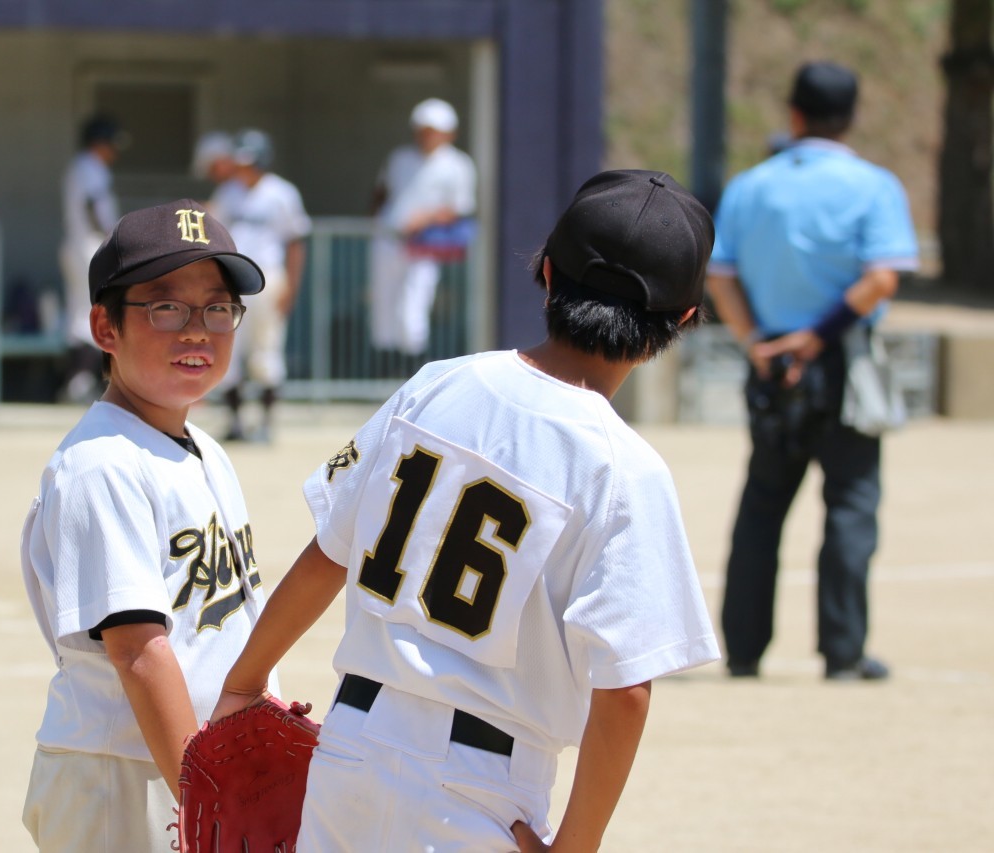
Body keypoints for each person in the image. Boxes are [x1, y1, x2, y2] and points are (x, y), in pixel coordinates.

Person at [211, 170, 722, 852]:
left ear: (547, 272)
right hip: (481, 788)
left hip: (350, 750)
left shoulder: (437, 383)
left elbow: (329, 552)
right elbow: (625, 689)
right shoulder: (625, 468)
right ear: (683, 319)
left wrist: (243, 685)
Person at [20, 199, 280, 851]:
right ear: (104, 327)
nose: (198, 331)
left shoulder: (204, 448)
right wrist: (207, 802)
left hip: (186, 762)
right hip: (125, 774)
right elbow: (138, 650)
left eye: (217, 308)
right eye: (166, 307)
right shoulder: (102, 463)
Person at [706, 61, 919, 682]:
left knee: (762, 504)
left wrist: (758, 342)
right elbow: (881, 277)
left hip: (771, 362)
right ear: (851, 117)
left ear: (794, 113)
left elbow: (721, 276)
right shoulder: (874, 186)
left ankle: (744, 649)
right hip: (842, 359)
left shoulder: (751, 186)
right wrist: (816, 337)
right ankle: (843, 651)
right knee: (851, 503)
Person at [210, 128, 311, 443]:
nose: (244, 169)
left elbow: (296, 242)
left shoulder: (281, 193)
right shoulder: (228, 192)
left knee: (266, 351)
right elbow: (213, 230)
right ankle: (235, 422)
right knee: (228, 349)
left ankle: (266, 422)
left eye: (249, 162)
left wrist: (291, 286)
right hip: (232, 279)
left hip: (268, 278)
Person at [369, 97, 477, 361]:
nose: (427, 136)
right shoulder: (399, 158)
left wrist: (425, 218)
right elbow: (381, 191)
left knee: (414, 304)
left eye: (434, 131)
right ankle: (385, 365)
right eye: (423, 130)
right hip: (388, 239)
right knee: (383, 301)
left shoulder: (458, 164)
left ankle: (411, 364)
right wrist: (377, 218)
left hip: (424, 243)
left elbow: (460, 207)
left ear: (449, 133)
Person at [59, 114, 123, 404]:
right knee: (92, 311)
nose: (114, 150)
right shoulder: (91, 166)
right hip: (90, 246)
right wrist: (115, 240)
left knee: (79, 312)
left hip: (78, 245)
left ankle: (76, 380)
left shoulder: (79, 166)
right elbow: (94, 207)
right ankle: (81, 381)